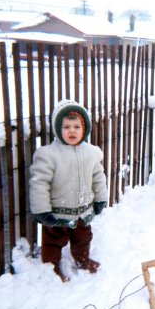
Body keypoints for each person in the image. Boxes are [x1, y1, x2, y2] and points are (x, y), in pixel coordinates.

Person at [29, 99, 108, 282]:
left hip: (83, 211)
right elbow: (39, 183)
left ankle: (83, 260)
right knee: (53, 242)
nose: (72, 131)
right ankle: (52, 268)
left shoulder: (91, 152)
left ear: (84, 128)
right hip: (57, 213)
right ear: (58, 129)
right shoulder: (48, 155)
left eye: (76, 126)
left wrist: (100, 199)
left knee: (83, 238)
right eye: (66, 126)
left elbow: (98, 177)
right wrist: (41, 210)